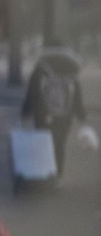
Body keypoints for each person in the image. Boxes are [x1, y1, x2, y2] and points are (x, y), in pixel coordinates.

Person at [21, 38, 88, 178]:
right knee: (59, 145)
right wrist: (81, 113)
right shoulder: (71, 68)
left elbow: (32, 91)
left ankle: (45, 174)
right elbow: (76, 93)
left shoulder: (41, 68)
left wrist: (26, 110)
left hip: (43, 113)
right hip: (64, 115)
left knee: (44, 142)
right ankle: (57, 176)